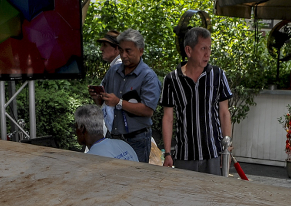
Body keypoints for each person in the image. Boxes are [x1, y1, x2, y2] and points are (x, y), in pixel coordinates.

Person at [160, 26, 233, 175]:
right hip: (185, 154)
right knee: (185, 196)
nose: (207, 54)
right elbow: (168, 117)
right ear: (189, 50)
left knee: (213, 196)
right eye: (203, 48)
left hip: (213, 153)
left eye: (209, 48)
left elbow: (224, 113)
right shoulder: (172, 79)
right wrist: (167, 153)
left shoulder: (217, 75)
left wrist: (227, 149)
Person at [91, 28, 160, 163]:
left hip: (137, 139)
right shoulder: (114, 71)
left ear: (141, 51)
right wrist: (98, 97)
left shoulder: (148, 76)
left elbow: (148, 110)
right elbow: (106, 103)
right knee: (114, 176)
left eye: (128, 51)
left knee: (135, 178)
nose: (123, 55)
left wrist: (119, 102)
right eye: (121, 50)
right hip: (114, 136)